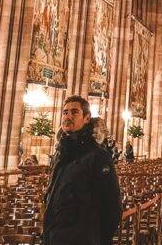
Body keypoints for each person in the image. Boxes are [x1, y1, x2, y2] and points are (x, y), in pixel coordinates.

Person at [42, 94, 122, 245]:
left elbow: (112, 208)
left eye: (75, 112)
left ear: (86, 118)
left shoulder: (98, 155)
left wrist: (97, 240)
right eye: (65, 112)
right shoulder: (60, 155)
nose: (68, 116)